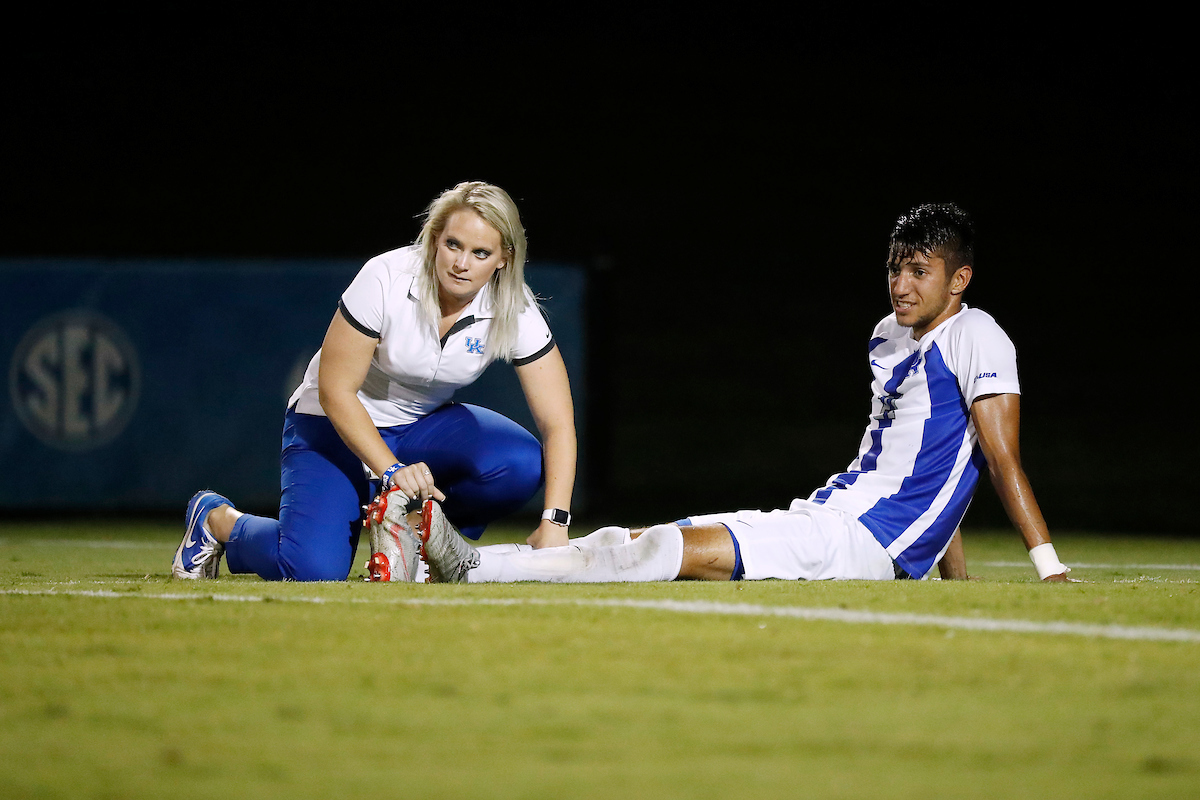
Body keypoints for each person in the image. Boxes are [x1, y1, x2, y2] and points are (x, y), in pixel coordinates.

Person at [416, 202, 1073, 585]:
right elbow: (920, 466)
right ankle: (461, 562)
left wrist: (1049, 569)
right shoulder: (887, 336)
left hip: (860, 541)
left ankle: (477, 569)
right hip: (832, 515)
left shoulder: (979, 335)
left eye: (920, 272)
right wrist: (953, 584)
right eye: (895, 268)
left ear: (959, 279)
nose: (901, 284)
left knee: (663, 552)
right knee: (650, 532)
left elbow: (996, 458)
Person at [173, 181, 577, 581]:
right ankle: (218, 519)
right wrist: (390, 470)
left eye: (480, 253)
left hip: (421, 429)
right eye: (453, 244)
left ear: (504, 258)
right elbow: (335, 391)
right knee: (311, 569)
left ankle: (425, 545)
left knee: (518, 462)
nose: (461, 263)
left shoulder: (514, 306)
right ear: (435, 238)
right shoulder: (387, 276)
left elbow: (557, 422)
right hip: (331, 426)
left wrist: (555, 521)